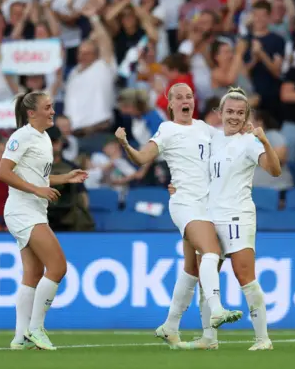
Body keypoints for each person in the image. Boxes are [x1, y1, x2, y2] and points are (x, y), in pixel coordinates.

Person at [114, 82, 243, 348]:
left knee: (192, 269)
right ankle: (217, 310)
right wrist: (125, 144)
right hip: (185, 203)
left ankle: (173, 327)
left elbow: (230, 144)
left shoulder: (205, 129)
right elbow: (141, 159)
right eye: (179, 97)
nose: (186, 101)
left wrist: (243, 122)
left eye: (189, 96)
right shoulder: (167, 129)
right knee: (211, 252)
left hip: (208, 205)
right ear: (170, 103)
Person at [174, 88, 281, 351]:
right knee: (205, 276)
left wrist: (265, 141)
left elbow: (274, 170)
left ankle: (262, 338)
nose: (234, 117)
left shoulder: (249, 142)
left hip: (238, 215)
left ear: (247, 116)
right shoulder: (213, 139)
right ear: (219, 113)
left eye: (240, 113)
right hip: (209, 216)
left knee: (244, 275)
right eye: (229, 112)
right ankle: (209, 338)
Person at [0, 90, 88, 351]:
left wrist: (65, 178)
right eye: (47, 107)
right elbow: (3, 172)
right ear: (31, 113)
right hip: (22, 210)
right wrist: (36, 190)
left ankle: (20, 337)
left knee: (33, 273)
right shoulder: (21, 136)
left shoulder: (44, 137)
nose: (52, 111)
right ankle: (36, 328)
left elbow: (39, 178)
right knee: (58, 267)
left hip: (34, 210)